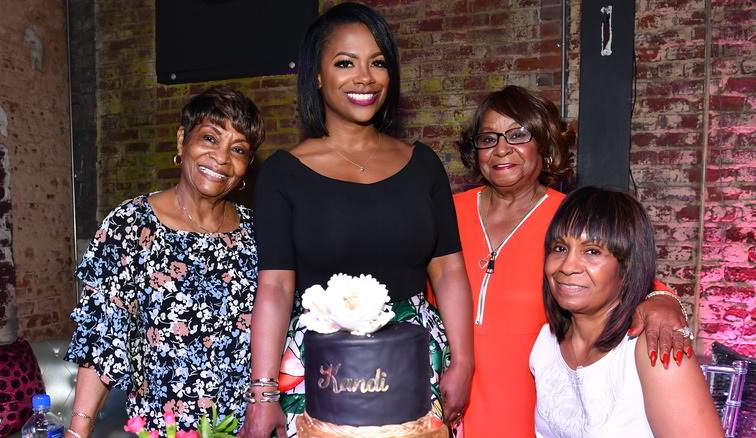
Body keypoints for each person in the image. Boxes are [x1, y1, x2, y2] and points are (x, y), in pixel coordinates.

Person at [241, 3, 474, 438]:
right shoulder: (282, 173)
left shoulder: (422, 165)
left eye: (378, 62)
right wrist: (263, 394)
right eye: (345, 62)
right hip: (318, 369)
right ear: (316, 75)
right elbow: (274, 285)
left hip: (417, 363)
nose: (365, 76)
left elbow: (449, 268)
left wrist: (463, 361)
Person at [453, 85, 693, 436]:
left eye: (518, 135)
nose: (501, 149)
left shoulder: (568, 218)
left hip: (530, 412)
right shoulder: (446, 212)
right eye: (488, 138)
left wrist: (664, 300)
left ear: (545, 147)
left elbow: (623, 273)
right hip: (447, 403)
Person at [64, 85, 265, 437]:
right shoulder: (130, 225)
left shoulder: (260, 233)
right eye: (209, 138)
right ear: (181, 141)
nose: (221, 158)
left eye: (238, 149)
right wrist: (77, 432)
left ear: (246, 166)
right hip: (162, 430)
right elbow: (102, 345)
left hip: (247, 429)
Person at [530, 186, 723, 437]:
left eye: (592, 252)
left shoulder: (653, 346)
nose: (567, 266)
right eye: (560, 248)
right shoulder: (545, 344)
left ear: (626, 266)